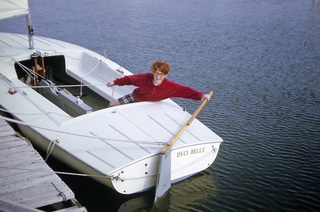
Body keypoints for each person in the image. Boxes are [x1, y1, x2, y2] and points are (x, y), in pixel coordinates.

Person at [106, 59, 211, 107]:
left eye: (161, 75)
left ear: (166, 75)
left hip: (153, 103)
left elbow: (185, 91)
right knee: (113, 105)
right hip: (136, 97)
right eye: (156, 73)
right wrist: (114, 82)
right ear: (153, 72)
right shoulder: (145, 77)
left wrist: (201, 96)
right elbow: (129, 79)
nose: (158, 77)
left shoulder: (170, 86)